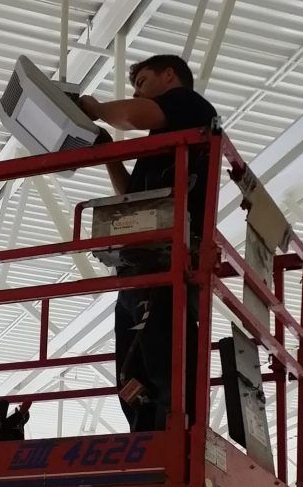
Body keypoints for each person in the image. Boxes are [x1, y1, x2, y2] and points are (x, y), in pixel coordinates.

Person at [79, 54, 218, 432]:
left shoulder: (187, 105)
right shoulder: (163, 143)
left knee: (161, 358)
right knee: (132, 367)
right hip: (142, 264)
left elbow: (132, 115)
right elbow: (132, 195)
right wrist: (109, 154)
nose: (138, 92)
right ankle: (145, 435)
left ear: (169, 75)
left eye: (142, 82)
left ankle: (172, 433)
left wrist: (97, 109)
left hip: (166, 260)